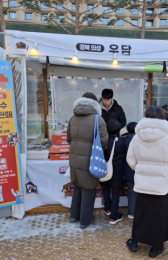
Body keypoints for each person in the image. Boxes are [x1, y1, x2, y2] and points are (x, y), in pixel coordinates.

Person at [126, 106, 168, 258]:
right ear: (162, 118)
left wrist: (140, 169)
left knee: (141, 214)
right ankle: (156, 247)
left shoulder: (137, 137)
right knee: (161, 215)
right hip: (164, 185)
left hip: (143, 184)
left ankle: (135, 242)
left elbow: (130, 159)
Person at [67, 92, 108, 229]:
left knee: (77, 187)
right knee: (88, 189)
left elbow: (69, 139)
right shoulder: (98, 119)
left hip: (74, 158)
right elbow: (104, 141)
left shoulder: (73, 118)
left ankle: (74, 215)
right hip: (90, 159)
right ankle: (85, 220)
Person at [101, 119, 125, 225]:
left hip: (104, 170)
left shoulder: (103, 141)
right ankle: (113, 217)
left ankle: (108, 209)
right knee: (115, 194)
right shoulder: (121, 142)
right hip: (117, 172)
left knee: (105, 189)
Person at [121, 122, 138, 219]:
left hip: (126, 169)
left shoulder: (123, 139)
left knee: (131, 191)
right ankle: (138, 211)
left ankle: (131, 213)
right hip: (136, 169)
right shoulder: (138, 140)